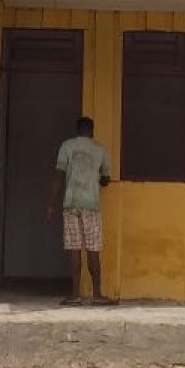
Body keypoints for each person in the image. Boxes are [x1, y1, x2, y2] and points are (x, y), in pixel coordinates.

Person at [46, 116, 114, 305]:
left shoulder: (67, 146)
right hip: (91, 204)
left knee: (74, 248)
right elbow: (106, 179)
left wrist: (51, 203)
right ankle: (97, 294)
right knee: (93, 249)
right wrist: (98, 179)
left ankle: (75, 294)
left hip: (71, 203)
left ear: (77, 130)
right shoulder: (100, 150)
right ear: (91, 131)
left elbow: (58, 175)